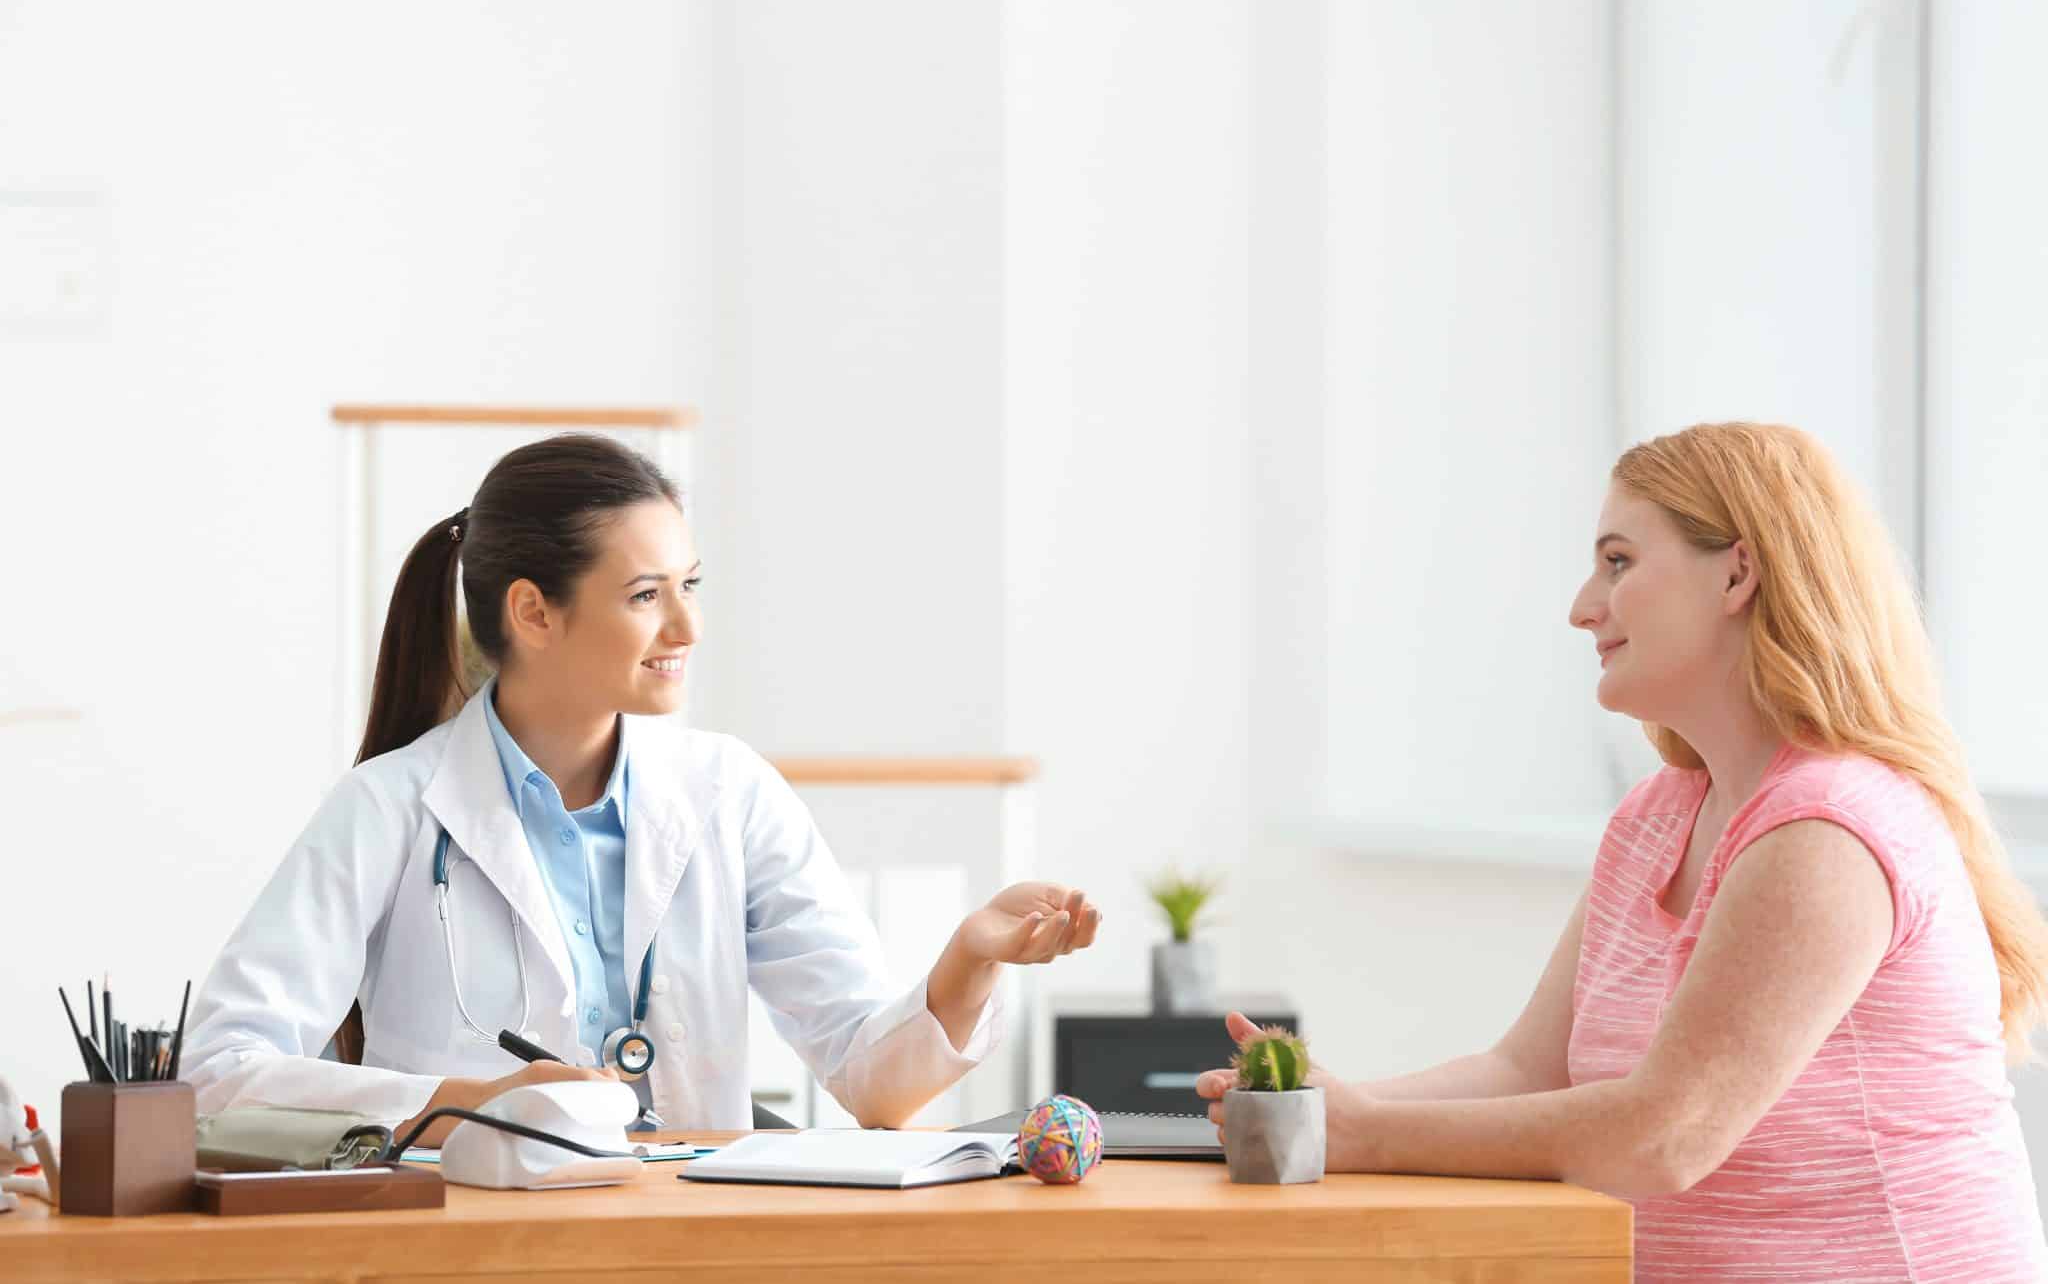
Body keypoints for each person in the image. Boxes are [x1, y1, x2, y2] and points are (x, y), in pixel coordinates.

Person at [1200, 422, 2048, 1281]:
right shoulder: (1657, 817)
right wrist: (1314, 1111)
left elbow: (1669, 1133)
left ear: (1738, 573)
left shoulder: (1829, 828)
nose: (1582, 606)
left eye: (1617, 562)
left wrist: (1366, 1135)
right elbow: (1526, 1068)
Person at [184, 433, 1099, 1141]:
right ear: (533, 610)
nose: (689, 626)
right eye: (646, 594)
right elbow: (215, 1075)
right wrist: (477, 1104)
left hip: (691, 1250)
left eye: (691, 584)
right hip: (472, 1250)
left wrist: (968, 961)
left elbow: (875, 1082)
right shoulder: (388, 807)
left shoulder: (729, 793)